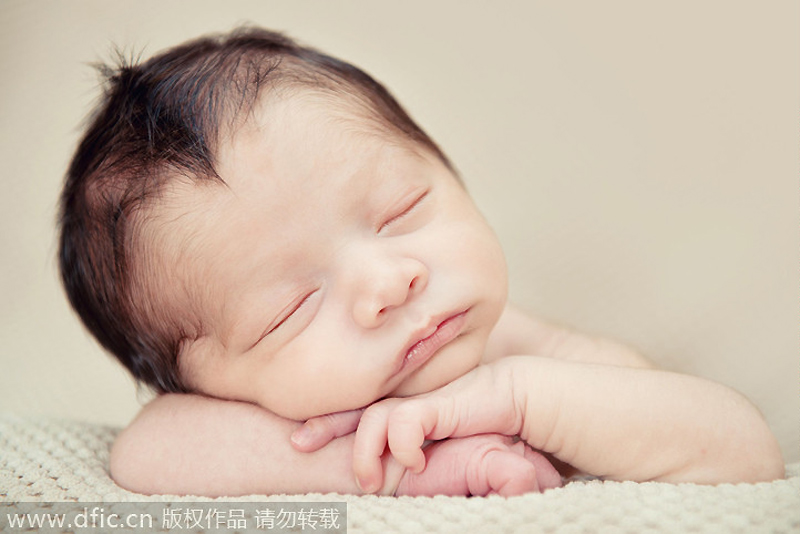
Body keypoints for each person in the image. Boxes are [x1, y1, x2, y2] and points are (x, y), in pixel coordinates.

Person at [58, 27, 784, 497]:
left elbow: (741, 451)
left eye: (401, 210)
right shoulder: (260, 420)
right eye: (291, 309)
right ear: (204, 384)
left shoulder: (524, 348)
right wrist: (404, 471)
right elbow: (147, 451)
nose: (386, 281)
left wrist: (522, 398)